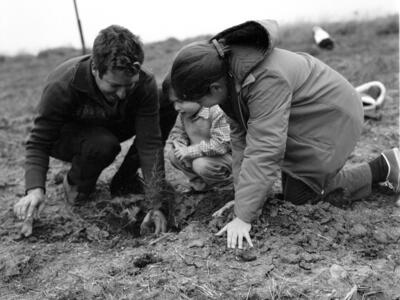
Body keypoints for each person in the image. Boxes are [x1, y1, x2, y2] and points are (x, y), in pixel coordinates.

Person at [169, 20, 400, 249]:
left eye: (200, 102)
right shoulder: (229, 75)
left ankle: (384, 166)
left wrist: (243, 217)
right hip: (303, 119)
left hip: (331, 117)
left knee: (302, 200)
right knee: (292, 192)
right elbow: (241, 142)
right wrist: (242, 201)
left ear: (214, 89)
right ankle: (362, 171)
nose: (201, 107)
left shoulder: (264, 79)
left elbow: (265, 148)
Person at [13, 25, 177, 236]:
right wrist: (35, 190)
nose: (122, 94)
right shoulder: (63, 84)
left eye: (129, 86)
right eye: (114, 86)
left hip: (109, 124)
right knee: (102, 144)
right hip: (68, 136)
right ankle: (75, 184)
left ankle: (124, 180)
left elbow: (150, 143)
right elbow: (38, 142)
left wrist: (156, 203)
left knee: (164, 101)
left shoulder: (143, 83)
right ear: (95, 70)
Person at [164, 77, 232, 192]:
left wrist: (190, 151)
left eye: (180, 101)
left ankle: (227, 186)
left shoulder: (215, 111)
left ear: (197, 95)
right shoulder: (183, 114)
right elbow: (178, 132)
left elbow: (222, 144)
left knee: (200, 164)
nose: (176, 107)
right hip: (198, 155)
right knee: (173, 155)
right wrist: (180, 144)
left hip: (222, 158)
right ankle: (200, 185)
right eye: (173, 102)